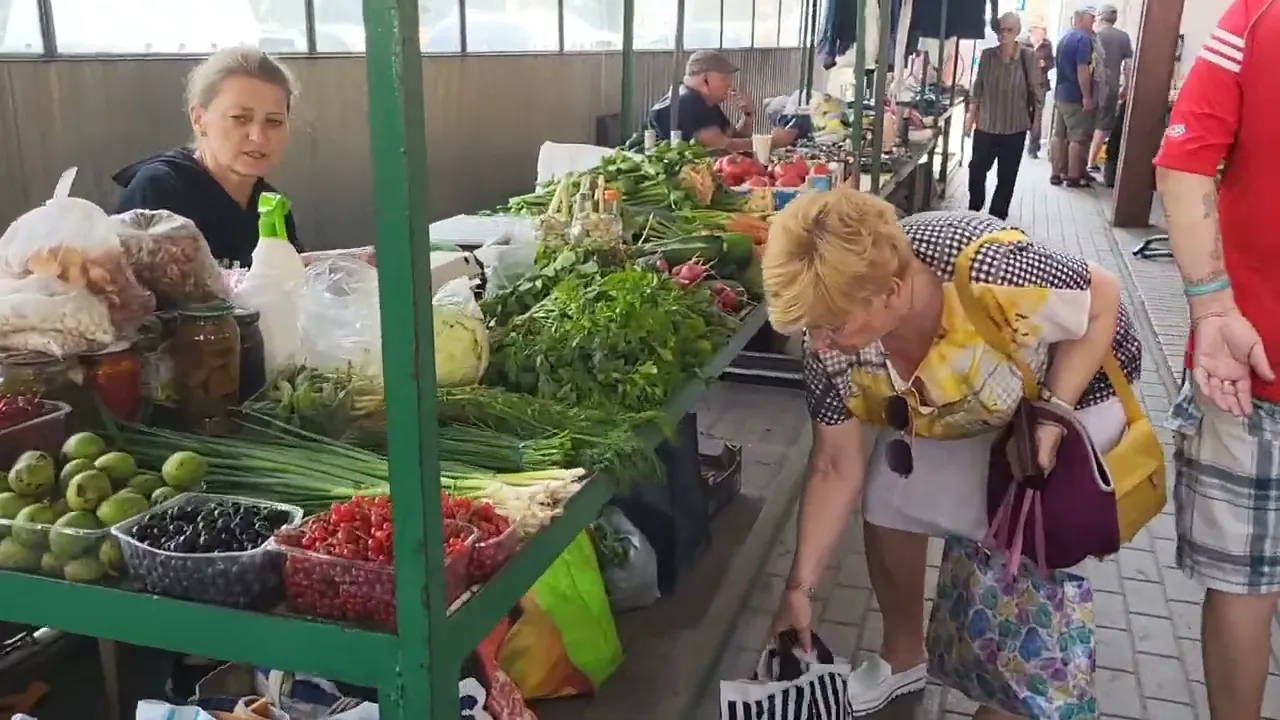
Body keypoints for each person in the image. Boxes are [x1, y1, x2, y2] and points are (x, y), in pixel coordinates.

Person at [762, 189, 1140, 718]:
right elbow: (833, 464)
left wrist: (1054, 413)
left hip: (1072, 386)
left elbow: (1104, 297)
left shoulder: (989, 268)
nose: (818, 342)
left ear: (892, 292)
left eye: (831, 324)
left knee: (1022, 544)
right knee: (889, 496)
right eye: (809, 327)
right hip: (960, 399)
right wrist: (799, 588)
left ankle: (1016, 692)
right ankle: (903, 655)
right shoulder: (832, 341)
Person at [1153, 1, 1280, 718]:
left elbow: (1183, 163)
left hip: (1251, 364)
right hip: (1252, 371)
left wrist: (1213, 309)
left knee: (1245, 583)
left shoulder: (1257, 19)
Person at [113, 46, 302, 268]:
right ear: (198, 119)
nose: (258, 137)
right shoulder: (159, 193)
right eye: (240, 118)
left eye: (274, 122)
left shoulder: (269, 205)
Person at [964, 12, 1042, 220]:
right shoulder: (988, 55)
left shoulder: (1028, 57)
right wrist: (970, 119)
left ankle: (997, 218)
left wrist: (1037, 123)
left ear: (1017, 32)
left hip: (1014, 128)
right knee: (977, 170)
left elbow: (1036, 92)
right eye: (1001, 29)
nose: (1003, 34)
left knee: (1006, 177)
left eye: (1009, 30)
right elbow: (978, 89)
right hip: (987, 125)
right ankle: (975, 208)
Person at [648, 49, 794, 153]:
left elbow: (735, 138)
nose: (729, 86)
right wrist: (772, 142)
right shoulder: (686, 102)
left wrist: (747, 115)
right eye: (724, 79)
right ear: (705, 79)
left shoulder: (704, 101)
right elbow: (723, 147)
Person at [1049, 7, 1098, 187]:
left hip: (1060, 93)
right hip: (1074, 95)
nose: (1094, 22)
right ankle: (1073, 176)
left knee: (1058, 135)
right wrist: (1087, 96)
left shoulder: (1065, 38)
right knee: (1077, 138)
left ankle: (1055, 173)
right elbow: (1082, 69)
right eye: (1091, 18)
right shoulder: (1083, 39)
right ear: (1081, 19)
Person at [1087, 4, 1132, 174]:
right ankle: (1090, 162)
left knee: (1086, 124)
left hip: (1091, 86)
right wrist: (1127, 86)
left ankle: (1078, 164)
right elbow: (1128, 65)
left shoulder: (1094, 35)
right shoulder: (1123, 37)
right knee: (1103, 125)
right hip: (1111, 87)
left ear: (1100, 16)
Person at [1021, 24, 1054, 158]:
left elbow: (1052, 62)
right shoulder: (1023, 43)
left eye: (1042, 32)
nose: (1041, 35)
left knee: (1037, 117)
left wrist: (1045, 64)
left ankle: (1033, 147)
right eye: (1038, 32)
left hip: (1040, 84)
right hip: (1023, 84)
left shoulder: (1047, 45)